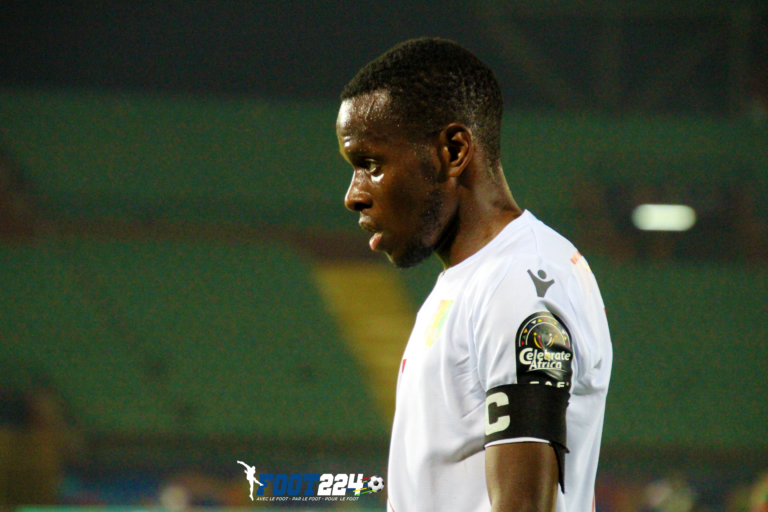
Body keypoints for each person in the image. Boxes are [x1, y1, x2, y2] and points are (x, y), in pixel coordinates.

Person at [336, 38, 613, 512]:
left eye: (372, 165)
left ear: (453, 150)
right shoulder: (475, 280)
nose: (353, 194)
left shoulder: (519, 281)